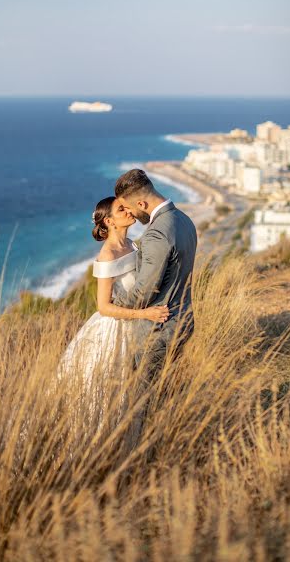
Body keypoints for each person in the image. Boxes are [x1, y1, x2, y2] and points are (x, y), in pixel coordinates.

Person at [58, 196, 170, 395]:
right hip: (116, 329)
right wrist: (146, 314)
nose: (129, 211)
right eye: (121, 210)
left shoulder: (131, 244)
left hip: (138, 324)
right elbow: (103, 307)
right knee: (113, 389)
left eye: (127, 207)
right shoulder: (108, 255)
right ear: (109, 222)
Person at [113, 167, 198, 382]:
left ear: (141, 204)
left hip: (158, 332)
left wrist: (115, 303)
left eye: (129, 208)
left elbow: (144, 291)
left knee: (144, 399)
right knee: (167, 391)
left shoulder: (156, 234)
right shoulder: (184, 219)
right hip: (184, 319)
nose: (129, 213)